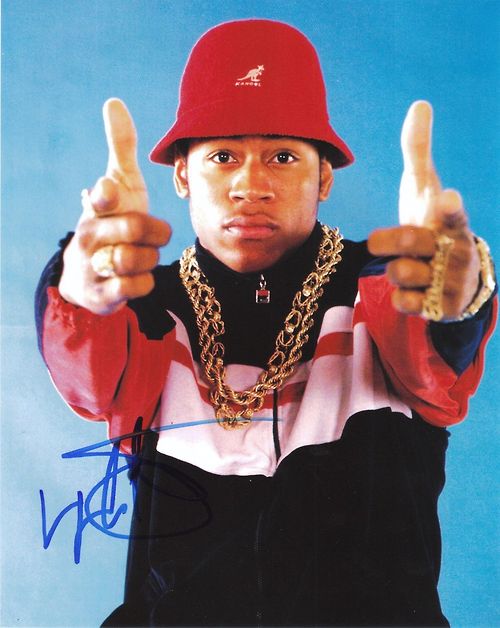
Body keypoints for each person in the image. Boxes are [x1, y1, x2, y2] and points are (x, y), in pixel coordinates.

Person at [35, 19, 496, 627]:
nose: (250, 186)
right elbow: (89, 369)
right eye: (222, 156)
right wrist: (78, 287)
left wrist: (456, 294)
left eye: (282, 156)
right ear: (182, 175)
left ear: (324, 176)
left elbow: (434, 344)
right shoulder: (142, 303)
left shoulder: (385, 289)